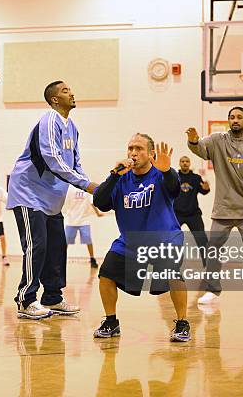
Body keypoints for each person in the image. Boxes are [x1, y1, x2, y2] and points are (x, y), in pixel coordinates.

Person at [7, 80, 97, 320]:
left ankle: (53, 298)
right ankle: (25, 300)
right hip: (28, 193)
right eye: (66, 91)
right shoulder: (49, 119)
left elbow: (75, 163)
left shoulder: (73, 128)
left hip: (52, 198)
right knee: (37, 245)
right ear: (55, 99)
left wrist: (92, 187)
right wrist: (86, 185)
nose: (72, 92)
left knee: (57, 245)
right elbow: (52, 158)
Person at [92, 135, 191, 342]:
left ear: (151, 154)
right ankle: (111, 322)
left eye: (139, 148)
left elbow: (174, 189)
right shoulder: (121, 179)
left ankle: (182, 323)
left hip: (165, 240)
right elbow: (100, 202)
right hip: (130, 243)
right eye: (130, 148)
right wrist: (113, 175)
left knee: (173, 274)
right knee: (106, 273)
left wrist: (166, 170)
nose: (133, 153)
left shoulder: (161, 174)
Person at [187, 106, 243, 307]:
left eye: (239, 117)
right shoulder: (218, 140)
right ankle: (212, 290)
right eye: (231, 117)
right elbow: (200, 149)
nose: (235, 120)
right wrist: (193, 140)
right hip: (224, 208)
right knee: (213, 249)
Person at [173, 156, 210, 268]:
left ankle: (208, 266)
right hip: (176, 214)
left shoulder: (196, 178)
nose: (185, 163)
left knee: (202, 240)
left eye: (187, 161)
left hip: (193, 214)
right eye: (182, 161)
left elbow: (203, 191)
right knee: (170, 239)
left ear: (189, 163)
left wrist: (206, 188)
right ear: (179, 163)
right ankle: (170, 266)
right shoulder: (174, 177)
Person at [63, 184, 103, 269]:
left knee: (88, 240)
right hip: (71, 220)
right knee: (65, 242)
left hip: (84, 220)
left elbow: (92, 202)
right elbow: (63, 201)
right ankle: (61, 259)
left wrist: (98, 213)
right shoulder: (69, 188)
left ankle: (92, 259)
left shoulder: (86, 189)